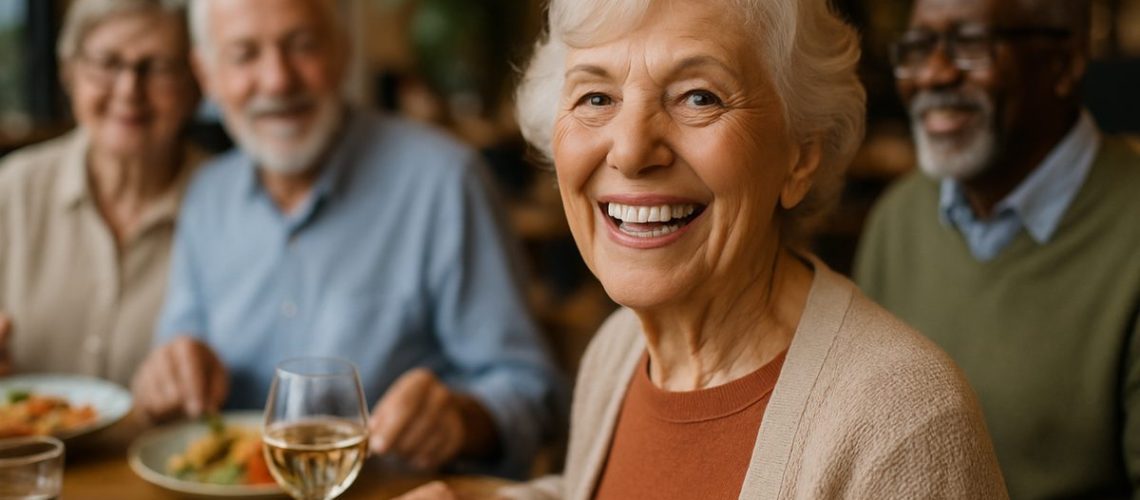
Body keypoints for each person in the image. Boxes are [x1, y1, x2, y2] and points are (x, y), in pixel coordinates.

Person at [404, 0, 1009, 498]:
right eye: (597, 97)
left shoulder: (901, 423)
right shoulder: (620, 349)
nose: (630, 151)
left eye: (699, 96)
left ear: (800, 154)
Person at [129, 0, 563, 478]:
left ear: (343, 50)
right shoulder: (206, 196)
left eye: (302, 45)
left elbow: (535, 395)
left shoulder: (443, 181)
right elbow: (176, 356)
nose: (277, 80)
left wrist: (462, 419)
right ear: (206, 74)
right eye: (244, 54)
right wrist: (169, 375)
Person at [854, 0, 1140, 497]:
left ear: (1063, 64)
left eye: (971, 45)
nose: (934, 74)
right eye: (918, 46)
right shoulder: (898, 219)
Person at [0, 0, 202, 386]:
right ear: (69, 72)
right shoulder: (11, 192)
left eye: (158, 67)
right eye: (107, 63)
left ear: (195, 83)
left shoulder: (232, 206)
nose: (129, 90)